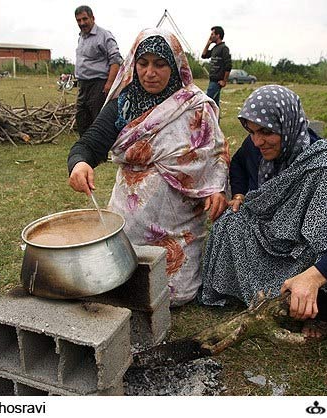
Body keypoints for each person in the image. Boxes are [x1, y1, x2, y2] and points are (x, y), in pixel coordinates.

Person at [201, 85, 327, 339]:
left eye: (266, 132)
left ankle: (321, 312)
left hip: (307, 252)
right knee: (229, 223)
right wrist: (239, 193)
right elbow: (239, 164)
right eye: (251, 132)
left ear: (288, 124)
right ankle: (263, 298)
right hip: (273, 235)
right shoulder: (256, 147)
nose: (257, 141)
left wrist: (315, 277)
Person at [68, 28, 229, 306]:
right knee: (121, 285)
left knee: (177, 296)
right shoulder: (124, 103)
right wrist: (79, 163)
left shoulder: (195, 107)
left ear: (175, 64)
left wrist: (217, 190)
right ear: (133, 64)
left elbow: (214, 154)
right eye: (143, 64)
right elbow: (90, 143)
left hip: (179, 225)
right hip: (129, 222)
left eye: (160, 64)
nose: (149, 73)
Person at [74, 5, 123, 136]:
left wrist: (109, 84)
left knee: (98, 120)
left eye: (85, 19)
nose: (82, 23)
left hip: (99, 85)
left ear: (92, 18)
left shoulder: (104, 35)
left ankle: (100, 154)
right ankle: (85, 151)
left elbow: (116, 60)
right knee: (82, 118)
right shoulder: (81, 37)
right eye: (78, 20)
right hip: (83, 85)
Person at [201, 26, 231, 109]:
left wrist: (224, 81)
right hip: (212, 81)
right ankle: (216, 121)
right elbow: (204, 55)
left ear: (218, 35)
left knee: (207, 103)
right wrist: (208, 43)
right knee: (215, 106)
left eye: (212, 34)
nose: (210, 36)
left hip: (217, 82)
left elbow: (228, 65)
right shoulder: (215, 48)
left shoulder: (224, 48)